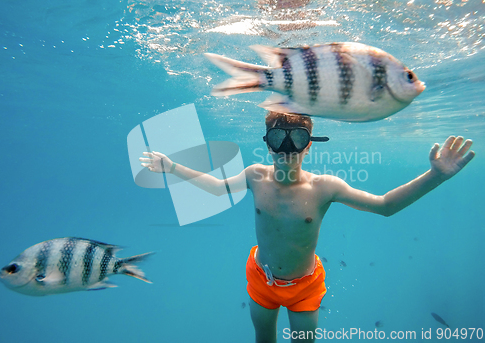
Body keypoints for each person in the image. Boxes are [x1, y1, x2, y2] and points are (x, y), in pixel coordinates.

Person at [139, 111, 475, 343]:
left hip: (305, 288)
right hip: (261, 278)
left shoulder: (325, 187)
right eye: (277, 139)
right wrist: (172, 167)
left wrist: (436, 176)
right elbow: (215, 187)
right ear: (267, 143)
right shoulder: (255, 176)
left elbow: (385, 206)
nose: (286, 149)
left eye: (296, 139)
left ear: (309, 144)